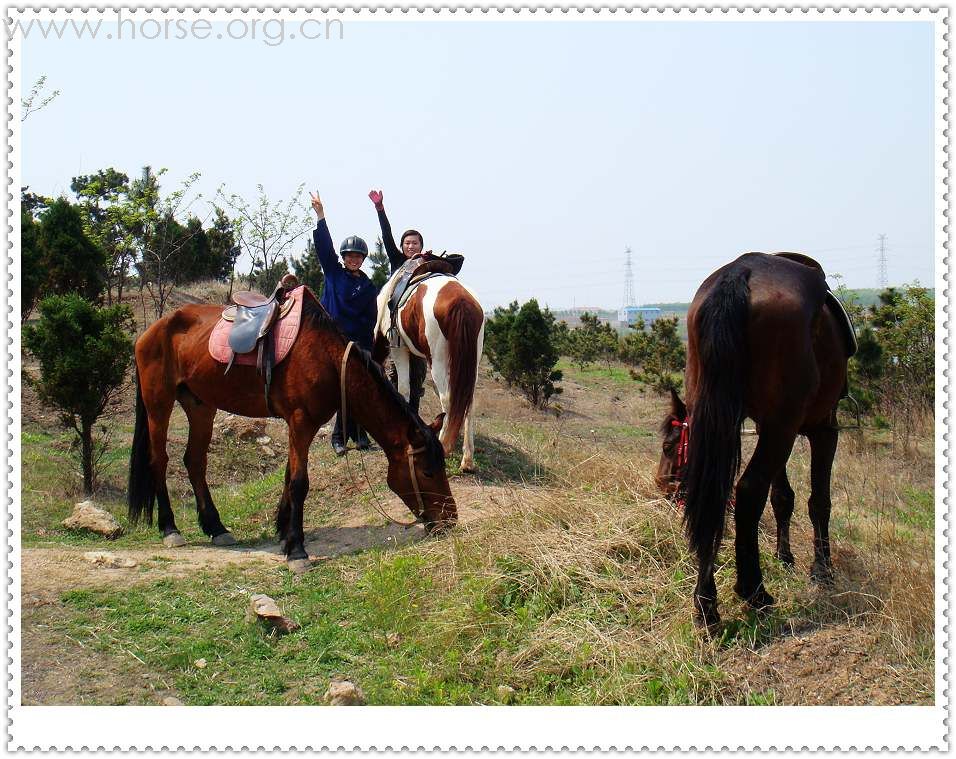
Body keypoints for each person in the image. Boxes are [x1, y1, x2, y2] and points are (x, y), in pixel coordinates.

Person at [310, 190, 377, 456]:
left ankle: (355, 435)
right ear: (344, 256)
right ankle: (340, 437)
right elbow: (324, 248)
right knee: (340, 389)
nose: (353, 259)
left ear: (362, 260)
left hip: (357, 344)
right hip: (330, 341)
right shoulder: (334, 274)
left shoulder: (368, 286)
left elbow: (370, 319)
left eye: (357, 257)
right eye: (349, 255)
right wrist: (321, 216)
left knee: (358, 389)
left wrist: (368, 351)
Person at [368, 189, 429, 414]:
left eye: (415, 243)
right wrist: (380, 209)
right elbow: (386, 235)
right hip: (396, 332)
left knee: (417, 377)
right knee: (395, 376)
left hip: (419, 332)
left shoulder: (425, 264)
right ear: (402, 246)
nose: (411, 246)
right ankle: (396, 416)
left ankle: (413, 416)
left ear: (421, 246)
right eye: (407, 243)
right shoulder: (397, 261)